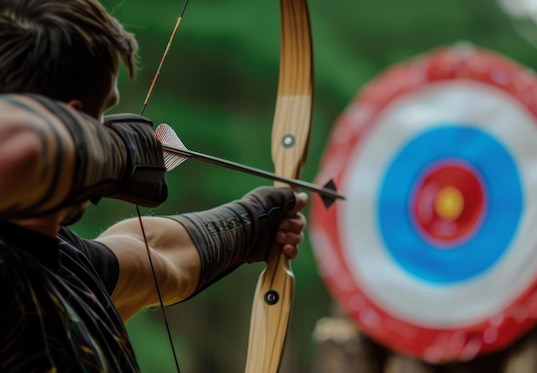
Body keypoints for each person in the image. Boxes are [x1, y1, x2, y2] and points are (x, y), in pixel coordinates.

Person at [0, 0, 308, 371]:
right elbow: (22, 146)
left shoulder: (71, 267)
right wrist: (120, 152)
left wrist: (255, 221)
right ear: (76, 113)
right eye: (102, 112)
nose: (109, 121)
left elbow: (156, 256)